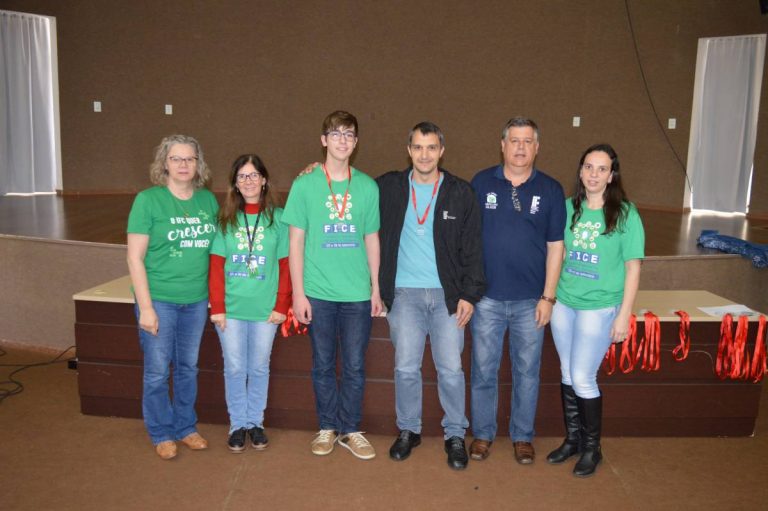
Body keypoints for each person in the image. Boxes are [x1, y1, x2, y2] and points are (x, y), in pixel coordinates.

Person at [378, 122, 485, 470]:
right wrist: (315, 168)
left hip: (447, 297)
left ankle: (455, 434)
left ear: (442, 151)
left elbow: (473, 249)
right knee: (406, 367)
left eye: (431, 147)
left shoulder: (460, 192)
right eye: (418, 147)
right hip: (403, 294)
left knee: (451, 368)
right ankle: (409, 429)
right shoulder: (389, 187)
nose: (424, 155)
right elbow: (349, 184)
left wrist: (469, 294)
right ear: (409, 150)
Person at [282, 110, 382, 460]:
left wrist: (375, 288)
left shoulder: (367, 186)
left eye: (349, 134)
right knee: (323, 364)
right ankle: (327, 426)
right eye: (336, 134)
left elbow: (372, 239)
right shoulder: (304, 184)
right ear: (324, 140)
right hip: (318, 293)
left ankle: (351, 429)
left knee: (354, 366)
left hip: (357, 295)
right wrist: (298, 293)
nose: (343, 140)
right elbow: (295, 242)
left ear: (356, 142)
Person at [469, 117, 566, 464]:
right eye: (514, 140)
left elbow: (556, 246)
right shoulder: (481, 183)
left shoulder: (551, 190)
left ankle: (523, 435)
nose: (520, 147)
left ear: (537, 147)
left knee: (527, 373)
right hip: (487, 299)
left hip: (530, 301)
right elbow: (467, 239)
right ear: (502, 145)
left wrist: (548, 297)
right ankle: (482, 433)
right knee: (483, 371)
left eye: (527, 141)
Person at [548, 143, 644, 477]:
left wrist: (624, 314)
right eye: (589, 167)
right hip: (565, 304)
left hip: (600, 307)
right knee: (566, 372)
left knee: (583, 377)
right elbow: (558, 253)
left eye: (602, 169)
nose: (594, 174)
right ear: (580, 171)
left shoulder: (626, 214)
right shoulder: (567, 208)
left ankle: (592, 448)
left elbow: (633, 268)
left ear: (612, 175)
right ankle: (573, 440)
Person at [126, 134, 219, 460]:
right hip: (159, 300)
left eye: (190, 158)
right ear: (164, 163)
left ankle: (185, 427)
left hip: (195, 301)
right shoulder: (148, 200)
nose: (183, 164)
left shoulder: (208, 201)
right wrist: (146, 307)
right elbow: (134, 258)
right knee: (156, 371)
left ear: (198, 164)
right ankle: (161, 432)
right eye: (176, 158)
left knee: (187, 368)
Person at [208, 154, 291, 453]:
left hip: (265, 309)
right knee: (234, 368)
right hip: (231, 309)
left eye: (254, 175)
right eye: (242, 176)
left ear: (264, 180)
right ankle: (237, 425)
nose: (249, 181)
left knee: (258, 368)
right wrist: (217, 307)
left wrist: (281, 305)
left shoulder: (279, 218)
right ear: (235, 183)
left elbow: (285, 265)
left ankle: (255, 422)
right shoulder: (225, 219)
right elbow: (216, 265)